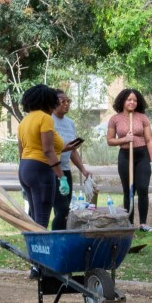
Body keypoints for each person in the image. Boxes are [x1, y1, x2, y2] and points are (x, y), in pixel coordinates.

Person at [18, 84, 77, 229]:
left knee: (34, 216)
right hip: (41, 169)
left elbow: (21, 150)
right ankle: (41, 244)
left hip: (25, 168)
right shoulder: (45, 118)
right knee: (42, 219)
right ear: (48, 102)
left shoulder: (25, 120)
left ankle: (32, 242)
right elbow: (48, 151)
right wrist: (62, 177)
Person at [106, 88, 152, 231]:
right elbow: (110, 141)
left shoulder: (142, 118)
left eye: (135, 100)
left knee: (142, 188)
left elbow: (149, 140)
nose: (132, 102)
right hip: (125, 156)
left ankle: (143, 224)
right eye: (129, 99)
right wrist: (124, 139)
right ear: (123, 101)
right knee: (128, 190)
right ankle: (129, 224)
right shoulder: (115, 119)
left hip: (142, 156)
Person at [50, 90, 92, 230]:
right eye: (63, 101)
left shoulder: (70, 123)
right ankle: (56, 236)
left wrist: (83, 170)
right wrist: (64, 149)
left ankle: (61, 235)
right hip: (53, 170)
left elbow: (72, 151)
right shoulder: (48, 120)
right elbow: (47, 149)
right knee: (62, 208)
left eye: (68, 101)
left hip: (66, 170)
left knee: (64, 209)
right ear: (54, 103)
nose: (66, 104)